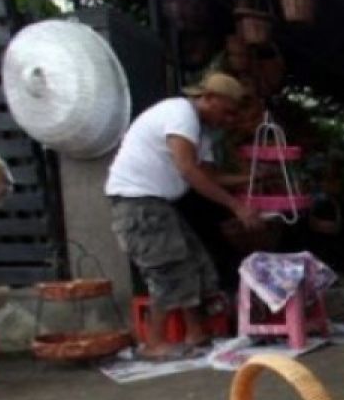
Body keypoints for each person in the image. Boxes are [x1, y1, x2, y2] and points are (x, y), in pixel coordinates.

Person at [106, 72, 260, 360]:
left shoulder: (200, 130)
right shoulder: (181, 113)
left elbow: (209, 175)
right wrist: (236, 206)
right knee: (167, 270)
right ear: (208, 98)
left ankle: (196, 333)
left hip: (158, 204)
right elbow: (188, 170)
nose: (228, 121)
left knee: (194, 262)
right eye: (226, 112)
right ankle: (153, 343)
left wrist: (250, 178)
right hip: (139, 203)